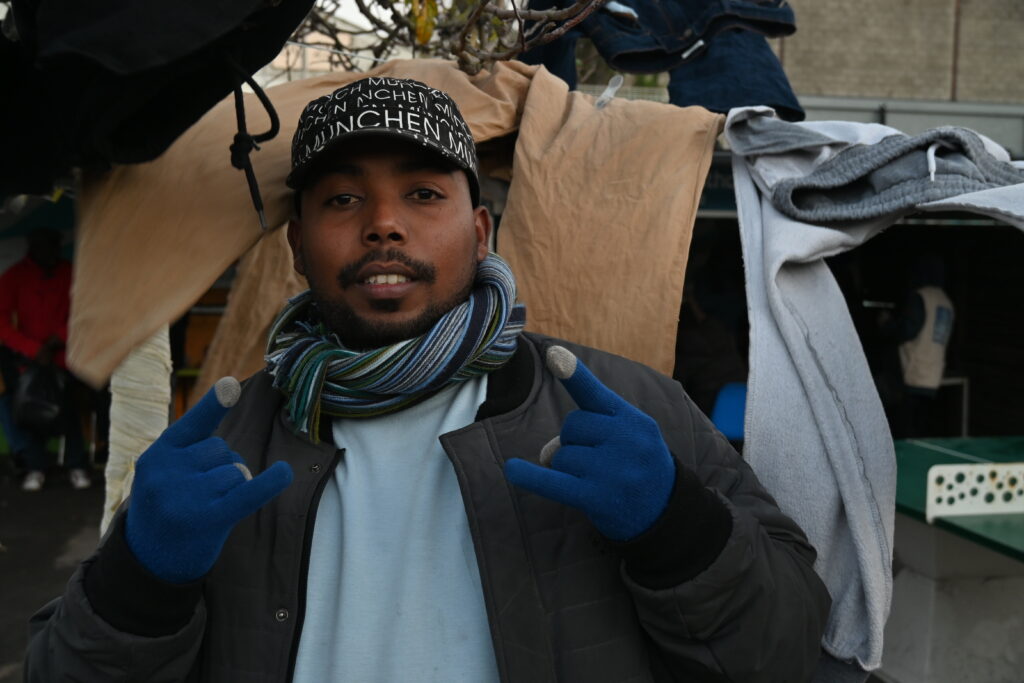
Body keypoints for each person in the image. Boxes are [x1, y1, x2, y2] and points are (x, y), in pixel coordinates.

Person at [25, 77, 829, 682]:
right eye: (343, 198)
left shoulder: (623, 408)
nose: (383, 222)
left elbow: (790, 649)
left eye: (422, 192)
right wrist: (138, 579)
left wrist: (676, 530)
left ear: (480, 233)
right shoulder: (220, 446)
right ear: (297, 246)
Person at [0, 227, 91, 491]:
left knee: (69, 409)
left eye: (52, 245)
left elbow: (85, 312)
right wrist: (31, 348)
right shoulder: (16, 275)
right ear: (32, 246)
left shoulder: (70, 273)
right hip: (28, 360)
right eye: (42, 245)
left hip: (66, 357)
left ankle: (76, 465)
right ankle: (35, 466)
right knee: (19, 409)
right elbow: (2, 321)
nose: (48, 251)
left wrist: (58, 338)